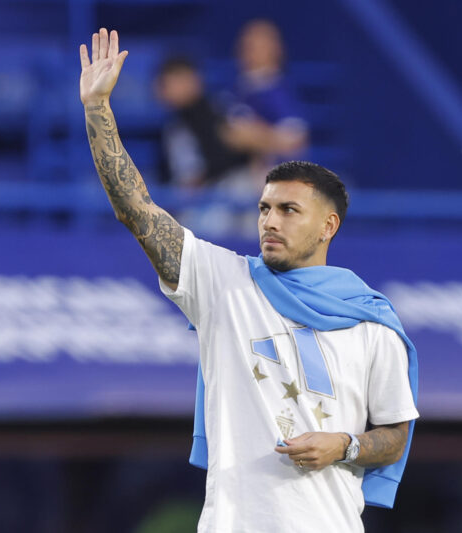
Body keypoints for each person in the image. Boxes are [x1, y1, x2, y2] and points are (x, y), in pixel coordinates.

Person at [79, 29, 418, 532]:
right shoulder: (225, 284)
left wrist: (345, 444)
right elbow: (138, 211)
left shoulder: (372, 320)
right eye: (263, 208)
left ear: (329, 225)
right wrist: (97, 110)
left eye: (288, 210)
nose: (270, 221)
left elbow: (394, 433)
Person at [222, 19, 308, 170]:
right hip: (230, 174)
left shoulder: (280, 92)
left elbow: (294, 142)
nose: (247, 52)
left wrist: (254, 135)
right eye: (245, 45)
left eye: (255, 46)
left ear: (275, 49)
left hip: (270, 176)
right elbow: (225, 133)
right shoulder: (234, 90)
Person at [154, 56, 250, 188]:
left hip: (222, 192)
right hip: (184, 197)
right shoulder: (171, 124)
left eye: (178, 80)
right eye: (166, 84)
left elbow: (227, 160)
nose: (171, 89)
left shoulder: (216, 113)